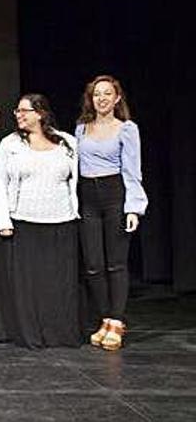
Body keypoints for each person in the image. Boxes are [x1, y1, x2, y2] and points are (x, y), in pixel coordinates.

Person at [0, 94, 80, 348]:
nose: (19, 115)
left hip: (61, 222)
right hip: (23, 222)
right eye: (17, 111)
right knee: (28, 285)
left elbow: (75, 181)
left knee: (56, 283)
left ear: (40, 113)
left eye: (24, 111)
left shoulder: (67, 142)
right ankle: (27, 331)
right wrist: (3, 221)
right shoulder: (10, 144)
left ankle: (58, 332)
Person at [76, 75, 147, 351]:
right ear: (91, 99)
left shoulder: (127, 129)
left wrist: (134, 208)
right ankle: (105, 317)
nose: (102, 98)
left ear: (117, 98)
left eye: (107, 94)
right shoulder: (82, 128)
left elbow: (132, 170)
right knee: (93, 264)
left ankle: (117, 320)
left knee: (115, 262)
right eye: (97, 94)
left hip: (114, 193)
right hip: (87, 196)